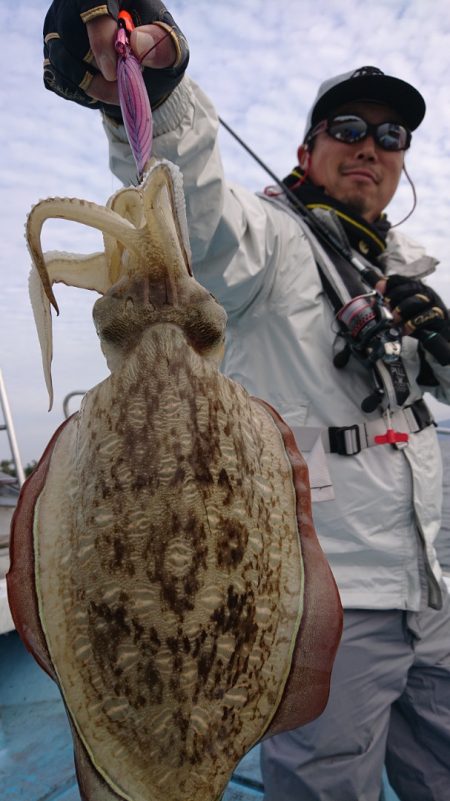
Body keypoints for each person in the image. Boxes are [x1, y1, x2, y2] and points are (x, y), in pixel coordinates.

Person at [42, 2, 450, 799]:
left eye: (391, 135)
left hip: (433, 582)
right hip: (337, 594)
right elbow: (193, 213)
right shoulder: (273, 240)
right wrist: (155, 90)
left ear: (404, 162)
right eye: (348, 127)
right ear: (308, 148)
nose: (370, 145)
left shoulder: (408, 277)